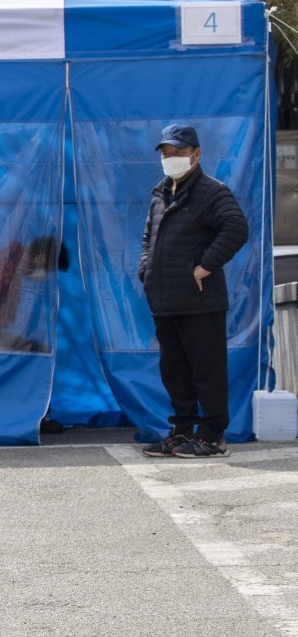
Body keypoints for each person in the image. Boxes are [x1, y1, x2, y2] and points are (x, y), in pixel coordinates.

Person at [139, 124, 248, 458]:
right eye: (167, 154)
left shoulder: (212, 192)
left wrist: (204, 266)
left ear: (196, 155)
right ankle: (182, 431)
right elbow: (148, 238)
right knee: (175, 371)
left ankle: (213, 435)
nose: (171, 159)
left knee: (207, 371)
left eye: (178, 153)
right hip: (166, 300)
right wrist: (146, 269)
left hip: (201, 301)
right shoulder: (160, 194)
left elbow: (236, 228)